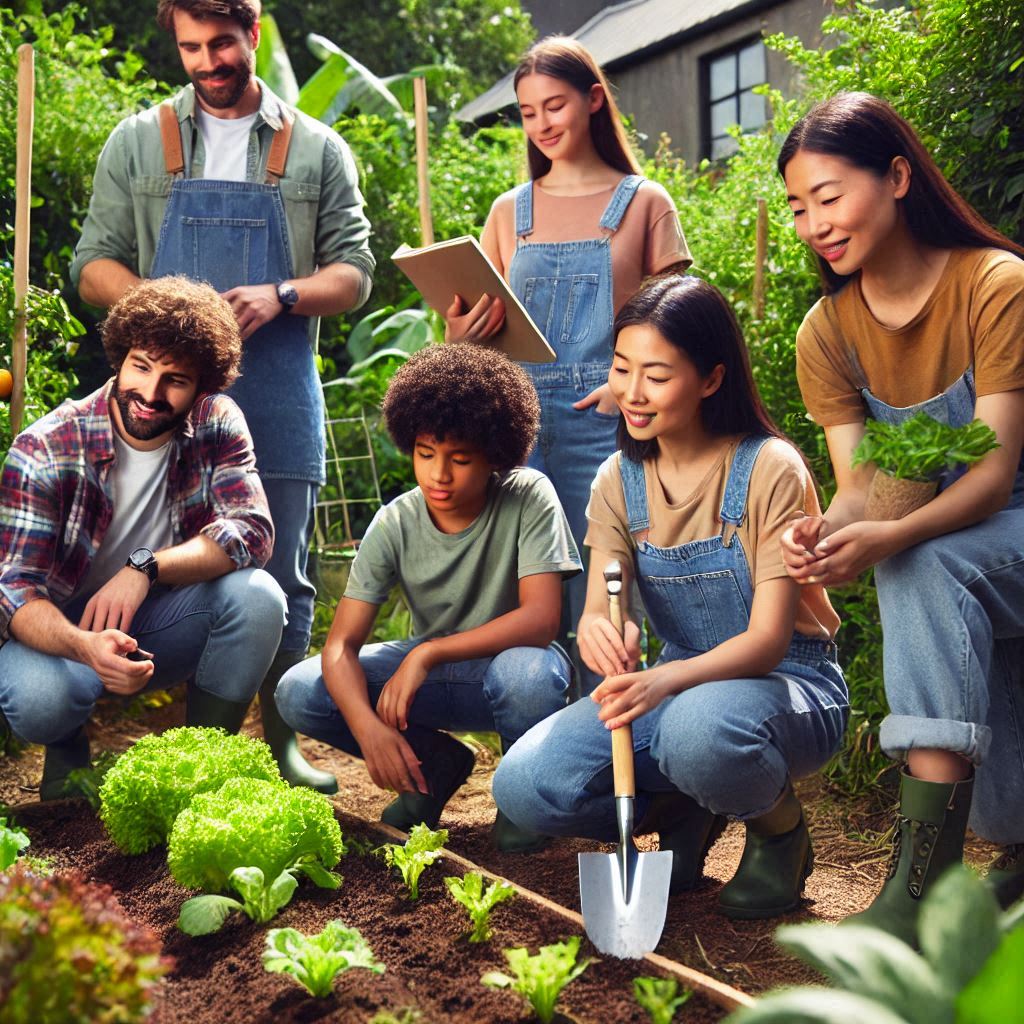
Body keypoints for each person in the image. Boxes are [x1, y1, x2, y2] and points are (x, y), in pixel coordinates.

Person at [69, 0, 375, 792]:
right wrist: (170, 318)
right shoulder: (139, 142)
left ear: (255, 34)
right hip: (155, 400)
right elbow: (92, 263)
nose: (208, 62)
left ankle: (276, 748)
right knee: (134, 556)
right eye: (192, 47)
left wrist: (282, 292)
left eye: (224, 45)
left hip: (275, 391)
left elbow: (355, 273)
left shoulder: (316, 150)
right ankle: (151, 746)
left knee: (286, 574)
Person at [494, 275, 848, 917]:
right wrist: (600, 630)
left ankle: (781, 836)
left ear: (711, 379)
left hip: (791, 682)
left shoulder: (769, 468)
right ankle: (689, 805)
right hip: (679, 685)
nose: (631, 392)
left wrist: (662, 683)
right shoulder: (618, 480)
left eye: (656, 375)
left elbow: (768, 640)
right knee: (525, 786)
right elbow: (605, 595)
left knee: (695, 731)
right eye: (621, 367)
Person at [779, 92, 1024, 941]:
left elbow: (992, 478)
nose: (815, 223)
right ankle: (1000, 859)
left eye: (829, 196)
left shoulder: (993, 284)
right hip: (957, 541)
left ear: (896, 176)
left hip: (1010, 517)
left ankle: (921, 886)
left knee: (922, 562)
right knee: (920, 562)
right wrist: (828, 529)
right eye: (798, 207)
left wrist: (892, 535)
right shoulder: (829, 330)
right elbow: (861, 487)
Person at [446, 37, 691, 686]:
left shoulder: (644, 203)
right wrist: (459, 333)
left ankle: (612, 758)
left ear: (593, 100)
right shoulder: (509, 212)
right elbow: (486, 335)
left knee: (606, 595)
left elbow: (678, 319)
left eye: (554, 105)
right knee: (526, 594)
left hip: (605, 421)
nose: (543, 124)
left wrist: (623, 381)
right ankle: (535, 762)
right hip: (516, 424)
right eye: (528, 113)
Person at [275, 343, 582, 851]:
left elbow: (542, 619)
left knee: (527, 675)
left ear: (494, 455)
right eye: (425, 454)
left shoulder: (528, 495)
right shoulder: (395, 521)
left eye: (460, 459)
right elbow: (339, 648)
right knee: (299, 690)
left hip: (510, 670)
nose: (439, 475)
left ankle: (522, 791)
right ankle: (433, 770)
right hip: (430, 682)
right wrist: (368, 728)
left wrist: (427, 652)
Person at [0, 277, 287, 800]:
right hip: (58, 633)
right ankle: (67, 755)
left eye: (175, 380)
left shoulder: (217, 422)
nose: (151, 394)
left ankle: (201, 766)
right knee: (44, 701)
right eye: (141, 366)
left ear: (203, 386)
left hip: (152, 621)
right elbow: (15, 590)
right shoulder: (46, 446)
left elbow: (251, 531)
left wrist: (143, 567)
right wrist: (84, 646)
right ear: (120, 357)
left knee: (259, 598)